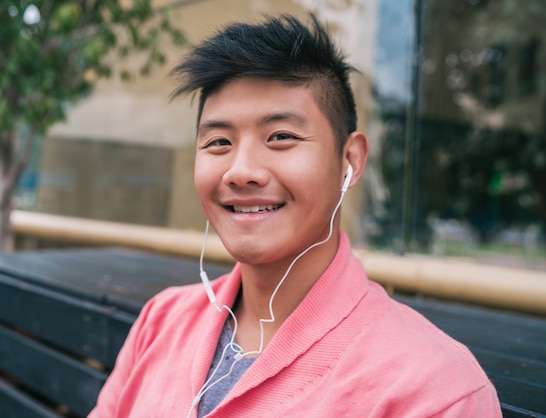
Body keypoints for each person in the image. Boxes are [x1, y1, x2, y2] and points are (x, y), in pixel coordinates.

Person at [88, 14, 501, 417]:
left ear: (350, 161)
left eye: (281, 137)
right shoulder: (162, 320)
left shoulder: (435, 391)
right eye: (217, 142)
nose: (241, 171)